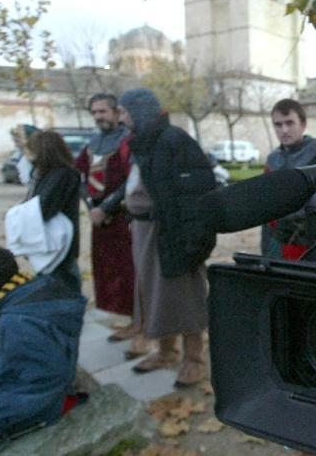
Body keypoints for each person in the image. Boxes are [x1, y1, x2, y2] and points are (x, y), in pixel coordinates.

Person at [120, 88, 216, 387]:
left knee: (184, 294)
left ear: (139, 111)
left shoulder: (174, 140)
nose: (121, 117)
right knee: (154, 294)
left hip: (172, 232)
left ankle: (194, 361)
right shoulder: (145, 142)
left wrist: (193, 240)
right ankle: (166, 351)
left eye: (124, 111)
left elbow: (197, 192)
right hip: (146, 231)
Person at [0, 246, 85, 443]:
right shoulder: (35, 288)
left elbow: (40, 381)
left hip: (45, 395)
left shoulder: (16, 321)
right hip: (41, 379)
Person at [74, 93, 138, 342]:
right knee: (107, 269)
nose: (98, 117)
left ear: (115, 112)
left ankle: (137, 321)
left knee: (129, 270)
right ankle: (120, 318)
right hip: (99, 217)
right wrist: (91, 206)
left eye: (103, 111)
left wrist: (107, 208)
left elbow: (131, 181)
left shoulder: (128, 141)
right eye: (94, 112)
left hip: (124, 216)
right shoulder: (92, 144)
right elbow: (78, 177)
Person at [261, 98, 316, 260]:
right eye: (278, 124)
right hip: (279, 243)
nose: (284, 130)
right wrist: (266, 247)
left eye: (289, 123)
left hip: (314, 243)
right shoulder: (271, 160)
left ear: (302, 124)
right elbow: (266, 210)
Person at [26, 130, 82, 293]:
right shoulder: (51, 174)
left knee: (63, 285)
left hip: (58, 240)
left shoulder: (62, 175)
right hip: (55, 240)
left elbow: (44, 208)